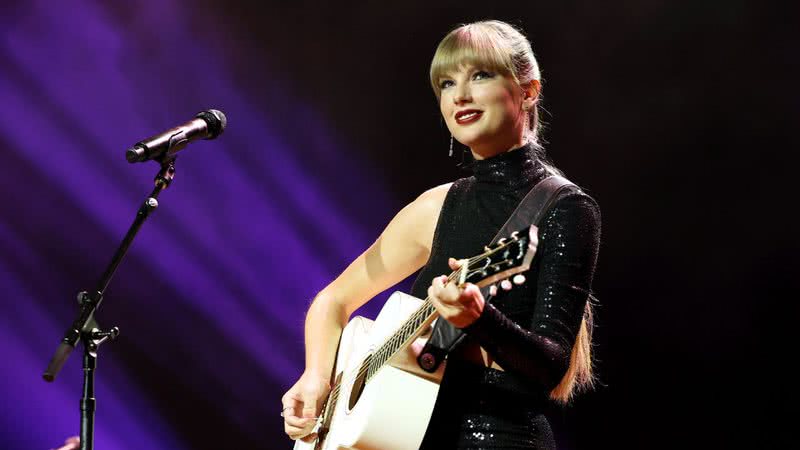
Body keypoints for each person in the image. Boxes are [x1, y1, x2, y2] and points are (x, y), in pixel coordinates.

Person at [282, 20, 601, 449]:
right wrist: (317, 379)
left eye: (481, 75)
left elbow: (551, 366)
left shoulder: (564, 208)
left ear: (528, 90)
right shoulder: (434, 207)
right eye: (447, 83)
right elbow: (333, 301)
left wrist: (480, 318)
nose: (460, 95)